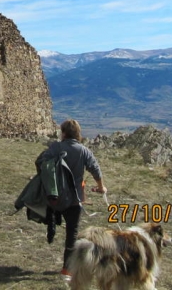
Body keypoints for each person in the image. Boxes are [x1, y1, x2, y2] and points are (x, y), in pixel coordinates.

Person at [40, 119, 107, 281]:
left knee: (54, 214)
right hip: (74, 200)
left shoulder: (56, 147)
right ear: (78, 133)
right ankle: (67, 270)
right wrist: (101, 187)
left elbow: (41, 161)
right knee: (72, 235)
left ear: (63, 133)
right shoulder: (83, 151)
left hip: (55, 198)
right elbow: (95, 170)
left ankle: (52, 225)